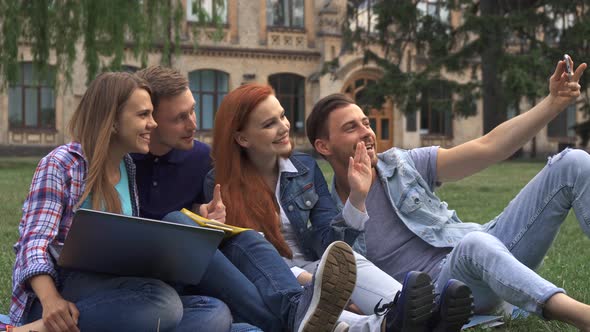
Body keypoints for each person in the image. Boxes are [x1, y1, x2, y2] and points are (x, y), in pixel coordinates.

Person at [305, 57, 590, 331]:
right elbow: (336, 278)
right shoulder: (331, 218)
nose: (367, 132)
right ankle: (580, 315)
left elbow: (489, 147)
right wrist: (358, 197)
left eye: (366, 122)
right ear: (324, 146)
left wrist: (553, 103)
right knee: (474, 245)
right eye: (350, 128)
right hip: (446, 294)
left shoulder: (402, 163)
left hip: (489, 250)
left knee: (572, 163)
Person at [204, 82, 474, 332]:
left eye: (283, 116)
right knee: (322, 296)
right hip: (274, 283)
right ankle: (398, 322)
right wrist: (316, 285)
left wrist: (357, 197)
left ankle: (420, 314)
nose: (284, 127)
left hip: (318, 269)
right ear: (242, 139)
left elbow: (327, 242)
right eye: (269, 124)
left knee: (346, 260)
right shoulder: (219, 183)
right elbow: (248, 261)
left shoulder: (304, 169)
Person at [132, 66, 362, 332]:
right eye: (180, 118)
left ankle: (303, 312)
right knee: (177, 222)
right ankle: (300, 319)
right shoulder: (125, 159)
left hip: (195, 270)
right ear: (151, 119)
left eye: (193, 110)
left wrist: (208, 221)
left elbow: (212, 228)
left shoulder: (200, 160)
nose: (193, 124)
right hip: (147, 272)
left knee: (243, 237)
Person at [9, 72, 233, 332]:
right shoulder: (62, 163)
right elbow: (33, 244)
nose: (153, 124)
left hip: (112, 290)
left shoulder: (127, 167)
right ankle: (38, 329)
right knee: (164, 304)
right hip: (58, 294)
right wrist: (52, 302)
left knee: (214, 311)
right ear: (113, 121)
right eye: (143, 115)